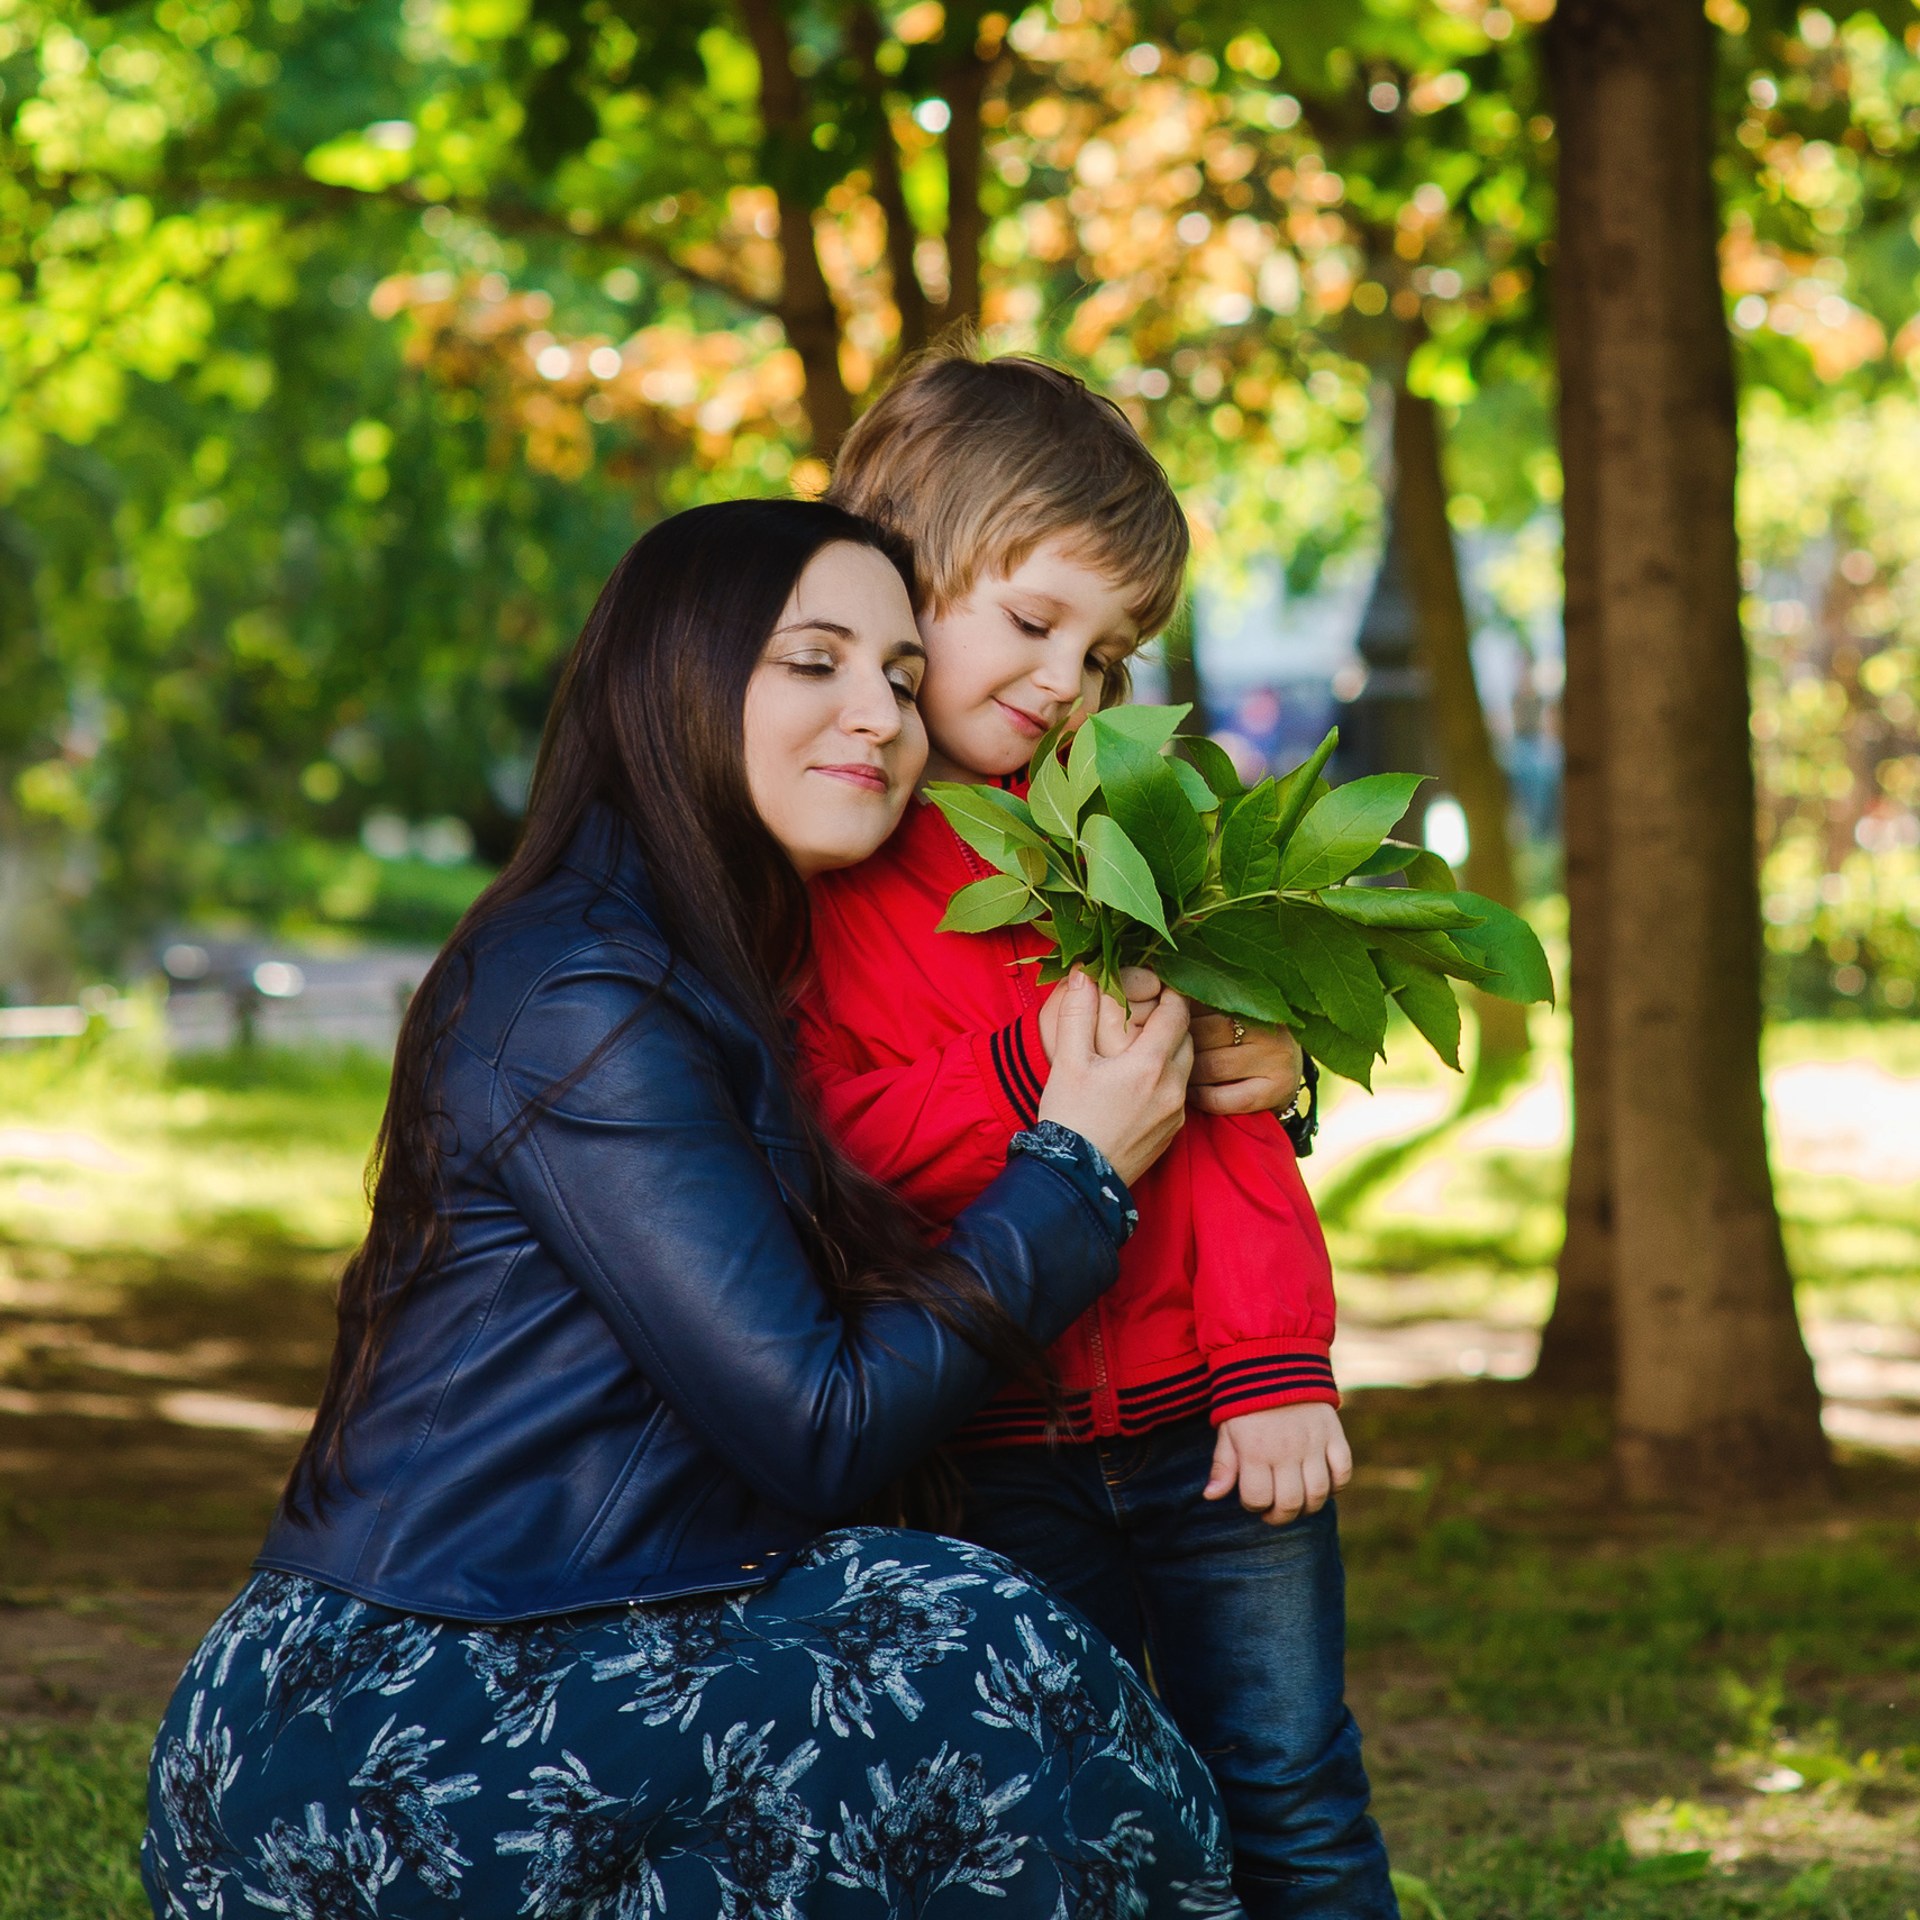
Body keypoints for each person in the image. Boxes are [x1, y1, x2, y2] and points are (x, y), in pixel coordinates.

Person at [142, 499, 1247, 1919]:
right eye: (816, 662)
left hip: (588, 1616)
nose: (882, 717)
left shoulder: (709, 956)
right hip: (397, 1706)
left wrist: (1240, 1067)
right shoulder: (584, 993)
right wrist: (1076, 1174)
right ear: (676, 679)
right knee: (965, 1655)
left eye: (905, 681)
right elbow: (819, 1419)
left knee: (944, 1621)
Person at [797, 352, 1398, 1917]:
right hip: (996, 1441)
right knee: (1058, 1795)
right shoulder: (833, 860)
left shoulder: (1125, 834)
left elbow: (1234, 1146)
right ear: (905, 579)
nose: (1069, 679)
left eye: (1109, 651)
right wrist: (1024, 1075)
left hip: (1216, 1422)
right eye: (1036, 622)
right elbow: (840, 1140)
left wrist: (1278, 1368)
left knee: (1286, 1778)